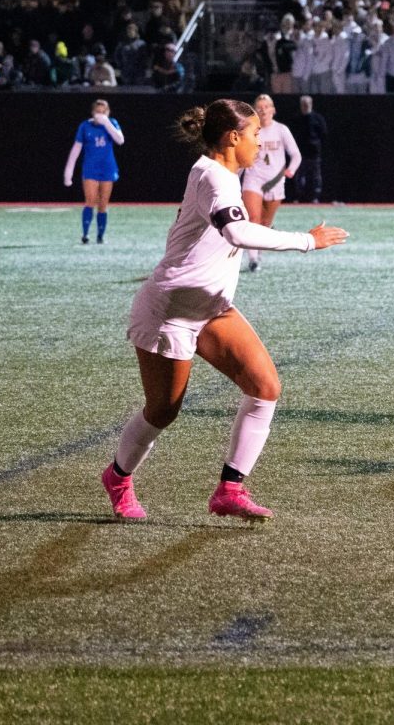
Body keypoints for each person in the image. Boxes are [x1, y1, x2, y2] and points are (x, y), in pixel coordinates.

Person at [101, 99, 347, 521]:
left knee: (265, 386)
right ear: (233, 138)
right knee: (163, 410)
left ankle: (230, 490)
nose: (259, 143)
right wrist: (307, 241)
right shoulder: (213, 175)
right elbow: (236, 230)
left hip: (212, 307)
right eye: (254, 136)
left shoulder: (222, 175)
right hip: (170, 310)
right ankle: (119, 477)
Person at [240, 94, 302, 271]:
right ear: (254, 111)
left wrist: (290, 170)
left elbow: (296, 154)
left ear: (273, 110)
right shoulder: (249, 130)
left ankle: (258, 253)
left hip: (275, 181)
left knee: (265, 223)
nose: (263, 110)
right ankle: (253, 259)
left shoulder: (281, 130)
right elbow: (241, 157)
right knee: (253, 218)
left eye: (267, 106)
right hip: (253, 178)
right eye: (259, 107)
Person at [63, 99, 123, 244]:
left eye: (104, 112)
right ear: (92, 112)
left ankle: (100, 236)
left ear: (108, 113)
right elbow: (76, 149)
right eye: (98, 112)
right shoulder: (85, 126)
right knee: (90, 200)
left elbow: (120, 140)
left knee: (103, 203)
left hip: (107, 168)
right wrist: (68, 171)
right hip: (90, 169)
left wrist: (107, 122)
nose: (101, 115)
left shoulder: (112, 123)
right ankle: (85, 234)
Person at [290, 95, 327, 203]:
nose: (305, 107)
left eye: (307, 104)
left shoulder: (318, 119)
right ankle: (299, 197)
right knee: (300, 176)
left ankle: (315, 197)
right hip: (300, 153)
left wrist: (317, 144)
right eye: (303, 105)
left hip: (314, 153)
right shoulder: (296, 119)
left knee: (315, 176)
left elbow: (324, 134)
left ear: (311, 105)